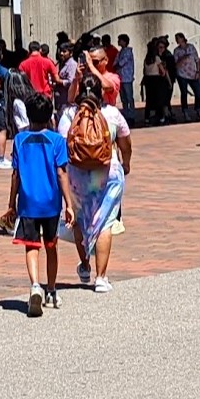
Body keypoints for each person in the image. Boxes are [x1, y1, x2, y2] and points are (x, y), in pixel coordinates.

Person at [4, 92, 75, 317]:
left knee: (31, 245)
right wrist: (69, 204)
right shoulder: (56, 140)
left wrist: (11, 203)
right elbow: (61, 173)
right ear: (49, 115)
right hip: (51, 202)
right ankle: (51, 290)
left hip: (28, 201)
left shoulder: (19, 140)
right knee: (51, 246)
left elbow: (15, 174)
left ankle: (35, 285)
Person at [58, 76, 131, 292]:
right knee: (105, 222)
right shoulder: (112, 113)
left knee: (80, 220)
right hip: (108, 172)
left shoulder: (69, 114)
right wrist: (126, 163)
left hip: (77, 175)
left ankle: (86, 265)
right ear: (101, 92)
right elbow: (126, 142)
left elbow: (63, 144)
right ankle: (101, 278)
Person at [170, 33, 200, 120]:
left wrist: (198, 71)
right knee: (184, 93)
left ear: (182, 38)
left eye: (178, 38)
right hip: (182, 75)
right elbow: (176, 64)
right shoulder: (176, 51)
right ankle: (185, 112)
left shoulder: (191, 47)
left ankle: (198, 110)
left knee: (198, 92)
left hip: (193, 73)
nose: (177, 40)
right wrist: (182, 58)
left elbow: (197, 60)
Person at [140, 38, 172, 126]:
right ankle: (161, 117)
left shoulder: (146, 59)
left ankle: (147, 118)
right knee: (160, 99)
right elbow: (163, 70)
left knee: (149, 99)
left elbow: (144, 70)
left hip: (148, 79)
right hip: (157, 79)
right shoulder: (157, 58)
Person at [113, 33, 137, 118]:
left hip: (127, 78)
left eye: (120, 40)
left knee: (129, 97)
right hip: (120, 77)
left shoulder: (128, 51)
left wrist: (117, 65)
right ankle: (126, 113)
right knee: (123, 98)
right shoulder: (120, 52)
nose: (118, 42)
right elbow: (115, 63)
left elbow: (121, 63)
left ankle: (132, 114)